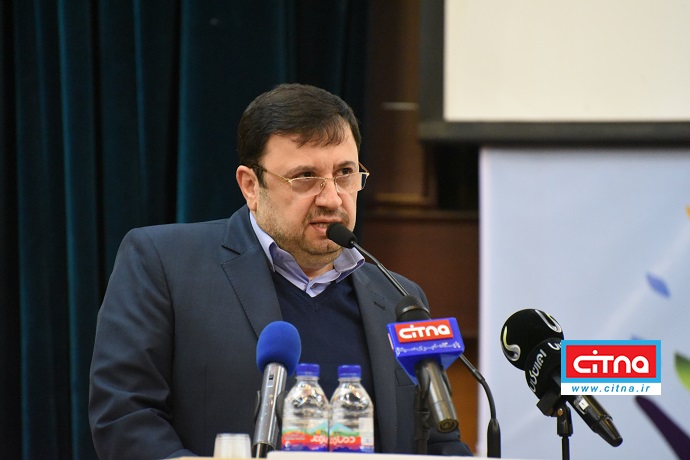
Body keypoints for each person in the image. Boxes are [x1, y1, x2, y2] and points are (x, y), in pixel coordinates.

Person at [88, 83, 474, 459]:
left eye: (345, 172)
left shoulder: (399, 299)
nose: (332, 198)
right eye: (305, 176)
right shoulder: (164, 263)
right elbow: (124, 416)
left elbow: (439, 443)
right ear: (251, 186)